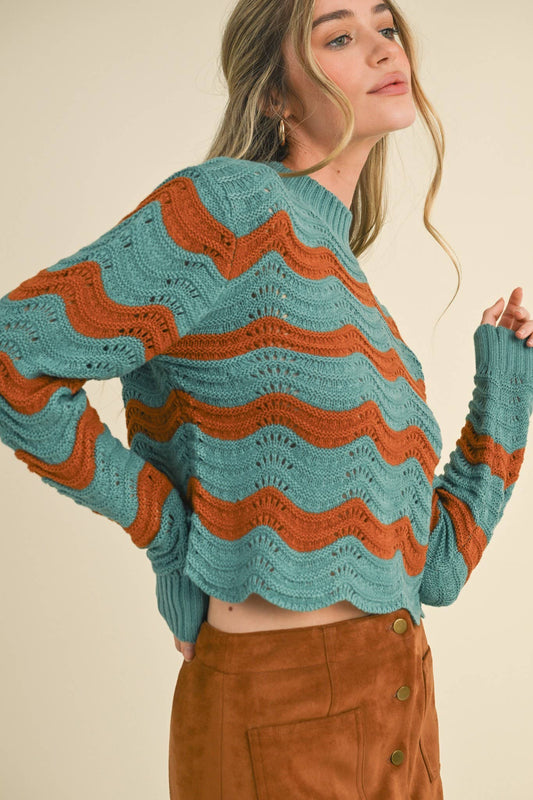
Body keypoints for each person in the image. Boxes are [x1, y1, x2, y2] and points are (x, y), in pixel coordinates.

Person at [0, 0, 532, 798]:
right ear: (275, 95)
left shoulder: (354, 295)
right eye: (339, 36)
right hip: (277, 708)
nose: (382, 48)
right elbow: (15, 355)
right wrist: (168, 533)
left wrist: (507, 385)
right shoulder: (229, 205)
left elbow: (437, 572)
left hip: (401, 700)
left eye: (386, 27)